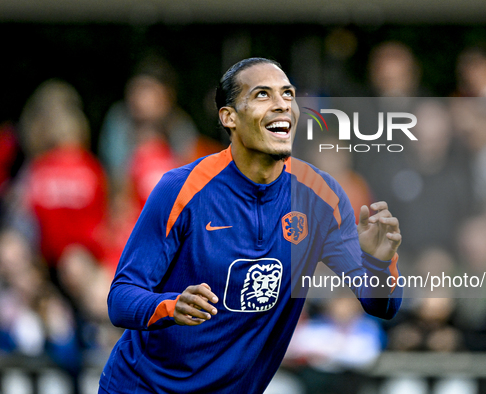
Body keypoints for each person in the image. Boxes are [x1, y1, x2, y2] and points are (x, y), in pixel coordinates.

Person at [99, 57, 402, 394]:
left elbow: (381, 304)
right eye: (262, 95)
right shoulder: (181, 189)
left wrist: (377, 262)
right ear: (229, 118)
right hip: (143, 388)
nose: (282, 105)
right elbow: (121, 298)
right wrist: (171, 306)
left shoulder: (320, 197)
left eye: (287, 95)